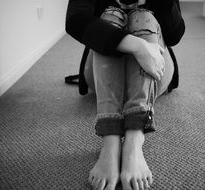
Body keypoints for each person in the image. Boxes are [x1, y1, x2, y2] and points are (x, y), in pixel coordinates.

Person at [65, 0, 185, 189]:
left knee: (143, 16)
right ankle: (111, 139)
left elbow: (175, 33)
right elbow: (75, 20)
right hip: (102, 74)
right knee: (109, 17)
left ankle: (135, 137)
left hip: (154, 66)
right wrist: (137, 46)